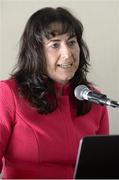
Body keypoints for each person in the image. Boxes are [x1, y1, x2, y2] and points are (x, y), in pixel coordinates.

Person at [0, 7, 109, 179]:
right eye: (55, 44)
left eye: (72, 42)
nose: (67, 54)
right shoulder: (8, 93)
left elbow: (102, 172)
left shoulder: (94, 99)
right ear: (36, 53)